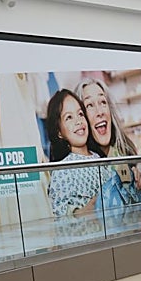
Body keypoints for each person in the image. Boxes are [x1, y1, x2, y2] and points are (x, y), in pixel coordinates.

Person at [77, 77, 141, 204]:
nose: (100, 112)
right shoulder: (80, 167)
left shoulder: (125, 152)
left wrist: (138, 186)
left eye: (103, 102)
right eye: (89, 105)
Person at [45, 88, 111, 218]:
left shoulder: (100, 159)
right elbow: (59, 216)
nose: (78, 121)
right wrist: (82, 212)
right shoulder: (61, 171)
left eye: (80, 114)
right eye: (69, 117)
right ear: (59, 132)